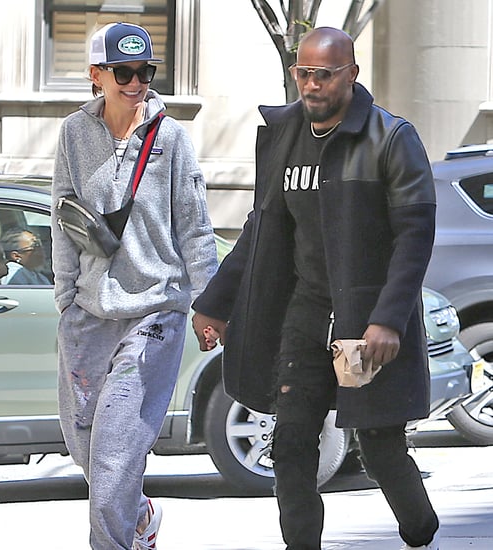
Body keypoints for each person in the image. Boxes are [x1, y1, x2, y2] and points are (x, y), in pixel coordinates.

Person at [192, 27, 440, 550]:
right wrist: (215, 304)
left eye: (323, 74)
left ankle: (422, 533)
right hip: (304, 313)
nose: (310, 85)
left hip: (367, 316)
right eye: (302, 73)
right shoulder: (287, 137)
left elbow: (415, 236)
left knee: (379, 445)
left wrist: (388, 318)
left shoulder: (390, 138)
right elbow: (262, 231)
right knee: (291, 443)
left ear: (351, 73)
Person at [51, 22, 217, 550]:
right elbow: (62, 217)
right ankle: (138, 511)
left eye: (143, 71)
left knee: (115, 454)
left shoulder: (170, 138)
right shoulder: (74, 133)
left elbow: (195, 226)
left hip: (153, 313)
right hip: (87, 312)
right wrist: (64, 297)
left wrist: (208, 303)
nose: (134, 82)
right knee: (85, 445)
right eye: (122, 72)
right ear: (95, 75)